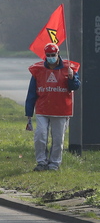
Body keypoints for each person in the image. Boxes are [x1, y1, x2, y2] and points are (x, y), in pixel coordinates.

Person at [25, 43, 80, 171]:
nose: (50, 58)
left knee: (57, 139)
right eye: (48, 55)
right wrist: (29, 112)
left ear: (58, 54)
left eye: (53, 55)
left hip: (61, 110)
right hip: (43, 109)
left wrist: (72, 78)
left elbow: (75, 86)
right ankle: (41, 162)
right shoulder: (38, 71)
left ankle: (54, 164)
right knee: (40, 135)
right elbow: (32, 92)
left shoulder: (69, 68)